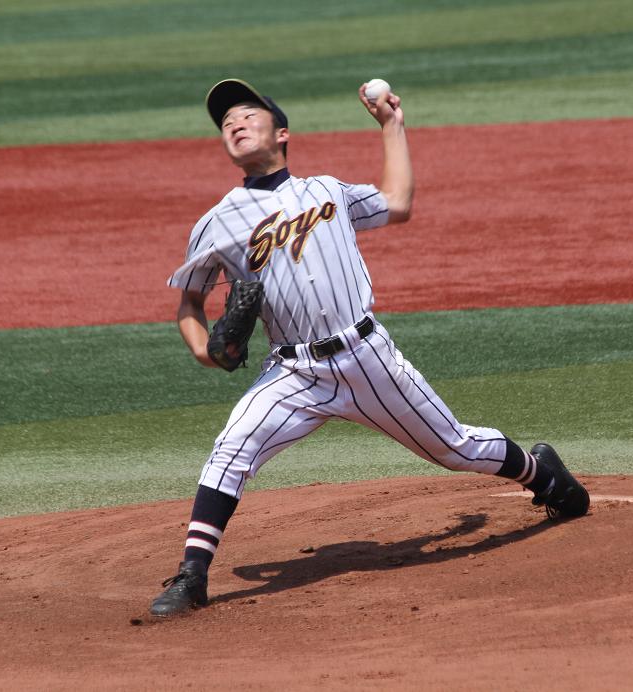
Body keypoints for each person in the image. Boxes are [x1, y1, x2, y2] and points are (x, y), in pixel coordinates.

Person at [149, 78, 589, 617]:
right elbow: (189, 306)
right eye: (226, 122)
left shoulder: (328, 191)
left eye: (247, 114)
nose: (235, 124)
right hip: (293, 372)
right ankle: (192, 575)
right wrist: (205, 352)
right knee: (230, 449)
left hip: (366, 358)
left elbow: (398, 203)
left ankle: (540, 472)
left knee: (455, 449)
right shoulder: (216, 224)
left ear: (282, 132)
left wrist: (390, 125)